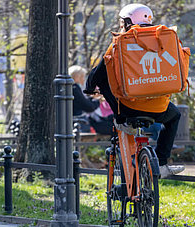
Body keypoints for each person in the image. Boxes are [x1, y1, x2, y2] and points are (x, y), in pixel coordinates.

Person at [84, 3, 185, 178]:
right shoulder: (162, 39)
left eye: (122, 22)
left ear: (128, 21)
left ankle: (120, 119)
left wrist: (90, 87)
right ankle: (161, 163)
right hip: (158, 108)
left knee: (105, 76)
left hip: (128, 108)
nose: (121, 26)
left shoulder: (121, 42)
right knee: (174, 116)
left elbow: (98, 74)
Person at [69, 65, 100, 132]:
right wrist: (98, 101)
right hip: (77, 122)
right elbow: (87, 106)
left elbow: (82, 101)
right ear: (77, 77)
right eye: (83, 76)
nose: (84, 79)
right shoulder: (74, 88)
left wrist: (92, 98)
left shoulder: (70, 87)